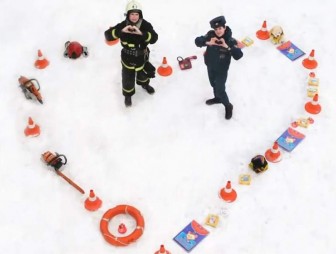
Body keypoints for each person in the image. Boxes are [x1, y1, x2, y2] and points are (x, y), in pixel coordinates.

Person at [104, 0, 158, 107]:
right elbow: (107, 35)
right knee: (127, 77)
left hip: (142, 56)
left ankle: (145, 85)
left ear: (140, 15)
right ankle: (128, 95)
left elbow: (154, 38)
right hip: (127, 57)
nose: (134, 17)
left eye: (136, 14)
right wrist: (120, 31)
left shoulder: (145, 25)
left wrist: (142, 33)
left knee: (143, 74)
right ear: (127, 14)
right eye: (132, 14)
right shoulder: (123, 25)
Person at [195, 16, 243, 119]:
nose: (218, 31)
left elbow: (239, 55)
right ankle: (217, 98)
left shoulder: (230, 40)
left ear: (224, 28)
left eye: (220, 28)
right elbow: (197, 41)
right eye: (216, 29)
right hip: (210, 66)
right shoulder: (210, 35)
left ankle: (228, 105)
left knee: (220, 89)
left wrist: (227, 47)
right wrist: (208, 42)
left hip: (221, 70)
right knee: (213, 84)